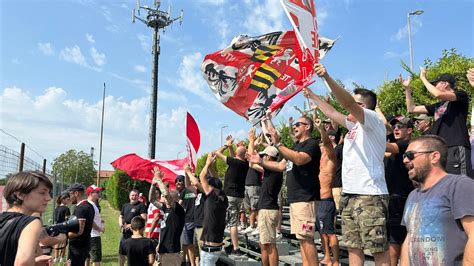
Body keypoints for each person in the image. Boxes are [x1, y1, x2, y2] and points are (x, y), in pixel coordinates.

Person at [303, 63, 390, 265]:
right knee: (353, 246)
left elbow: (348, 104)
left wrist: (327, 77)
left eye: (357, 102)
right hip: (350, 195)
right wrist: (312, 96)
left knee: (377, 248)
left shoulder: (372, 120)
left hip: (370, 195)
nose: (350, 105)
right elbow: (333, 113)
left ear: (364, 107)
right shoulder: (353, 126)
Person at [257, 114, 321, 266]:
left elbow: (299, 159)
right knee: (302, 239)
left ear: (307, 127)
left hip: (305, 198)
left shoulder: (311, 144)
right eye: (294, 125)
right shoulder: (296, 146)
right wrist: (260, 162)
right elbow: (280, 166)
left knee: (306, 239)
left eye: (298, 124)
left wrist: (279, 144)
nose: (294, 126)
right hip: (296, 199)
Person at [400, 135, 474, 265]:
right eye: (404, 156)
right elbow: (409, 240)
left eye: (410, 155)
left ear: (434, 156)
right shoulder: (412, 195)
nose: (405, 160)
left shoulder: (459, 185)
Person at [402, 71, 472, 177]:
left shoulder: (461, 95)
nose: (434, 86)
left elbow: (437, 94)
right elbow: (411, 108)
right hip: (441, 150)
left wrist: (423, 79)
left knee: (461, 183)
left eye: (436, 83)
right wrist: (407, 89)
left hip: (456, 147)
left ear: (445, 84)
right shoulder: (438, 105)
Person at [0, 171, 54, 266]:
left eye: (48, 193)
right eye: (42, 193)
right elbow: (23, 263)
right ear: (20, 194)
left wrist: (34, 262)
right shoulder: (31, 223)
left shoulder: (3, 219)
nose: (48, 198)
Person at [248, 128, 284, 266]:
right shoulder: (270, 169)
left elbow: (252, 158)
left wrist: (251, 140)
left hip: (268, 210)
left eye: (264, 156)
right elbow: (251, 163)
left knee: (269, 245)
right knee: (264, 243)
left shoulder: (273, 168)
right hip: (266, 209)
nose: (262, 158)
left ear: (269, 157)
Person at [384, 116, 415, 265]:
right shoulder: (396, 144)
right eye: (394, 127)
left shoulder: (408, 145)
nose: (396, 129)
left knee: (396, 240)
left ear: (409, 130)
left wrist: (367, 137)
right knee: (393, 239)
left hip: (401, 197)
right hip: (392, 196)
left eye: (400, 126)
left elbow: (387, 147)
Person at [215, 135, 249, 256]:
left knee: (231, 222)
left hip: (229, 196)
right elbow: (235, 156)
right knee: (231, 221)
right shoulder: (245, 164)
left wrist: (226, 145)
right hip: (239, 196)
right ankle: (229, 244)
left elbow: (217, 153)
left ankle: (235, 248)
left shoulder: (233, 161)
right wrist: (231, 147)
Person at [313, 117, 340, 266]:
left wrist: (321, 129)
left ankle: (335, 260)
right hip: (319, 201)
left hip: (327, 200)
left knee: (329, 232)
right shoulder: (318, 161)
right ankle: (327, 257)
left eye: (322, 144)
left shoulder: (331, 158)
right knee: (322, 233)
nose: (320, 147)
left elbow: (329, 144)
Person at [195, 152, 228, 265]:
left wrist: (207, 163)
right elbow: (216, 179)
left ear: (212, 187)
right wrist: (211, 166)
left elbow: (201, 177)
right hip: (212, 249)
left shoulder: (213, 196)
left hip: (210, 251)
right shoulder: (222, 196)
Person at [152, 168, 186, 266]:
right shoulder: (166, 208)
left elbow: (166, 194)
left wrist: (159, 179)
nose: (165, 200)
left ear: (174, 199)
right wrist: (153, 184)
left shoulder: (178, 210)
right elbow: (152, 199)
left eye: (168, 199)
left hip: (172, 251)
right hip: (163, 248)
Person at [67, 183, 95, 266]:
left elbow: (79, 231)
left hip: (77, 248)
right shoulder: (89, 206)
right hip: (84, 244)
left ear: (76, 193)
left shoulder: (81, 208)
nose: (69, 197)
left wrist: (64, 235)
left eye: (70, 194)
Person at [176, 174, 197, 266]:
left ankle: (193, 263)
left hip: (197, 220)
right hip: (187, 220)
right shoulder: (184, 191)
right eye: (176, 181)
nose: (178, 182)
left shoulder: (198, 190)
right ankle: (189, 263)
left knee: (195, 245)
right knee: (188, 244)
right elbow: (180, 205)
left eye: (180, 180)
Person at [86, 185, 105, 266]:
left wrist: (99, 220)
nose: (99, 193)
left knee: (87, 257)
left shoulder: (90, 204)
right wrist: (100, 229)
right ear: (90, 193)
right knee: (96, 260)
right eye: (97, 192)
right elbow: (90, 221)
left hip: (89, 235)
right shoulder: (91, 205)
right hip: (94, 236)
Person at [52, 192, 71, 262]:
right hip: (64, 227)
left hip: (56, 227)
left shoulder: (56, 208)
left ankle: (56, 258)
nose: (68, 201)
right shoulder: (66, 209)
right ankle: (62, 257)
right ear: (63, 200)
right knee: (64, 242)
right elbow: (67, 219)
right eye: (67, 199)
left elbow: (55, 218)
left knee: (57, 242)